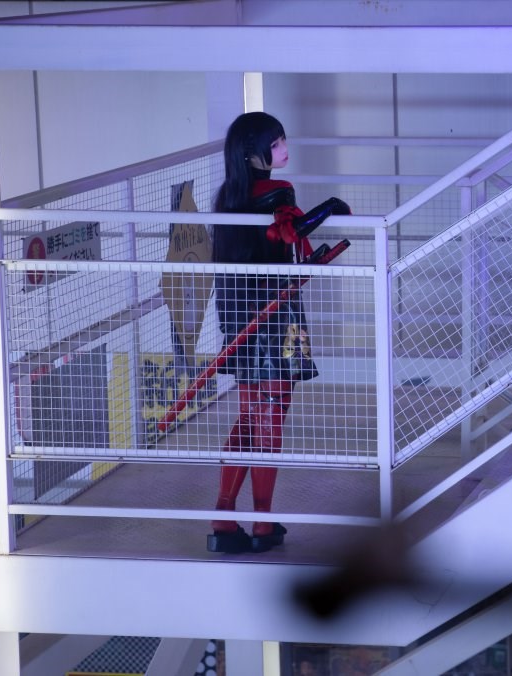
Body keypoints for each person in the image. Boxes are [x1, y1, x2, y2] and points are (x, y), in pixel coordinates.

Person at [208, 111, 347, 553]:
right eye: (276, 143)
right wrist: (330, 207)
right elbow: (287, 231)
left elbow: (270, 240)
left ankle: (224, 516)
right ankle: (263, 523)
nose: (284, 149)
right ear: (254, 154)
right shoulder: (276, 191)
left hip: (238, 315)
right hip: (278, 314)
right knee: (271, 416)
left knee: (251, 415)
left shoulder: (227, 197)